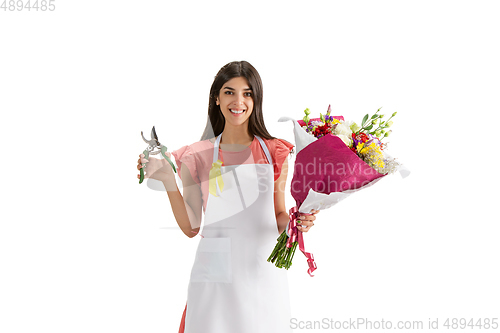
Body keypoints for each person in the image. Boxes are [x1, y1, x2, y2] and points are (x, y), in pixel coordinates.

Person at [136, 61, 319, 333]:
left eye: (247, 93)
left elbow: (278, 215)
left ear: (256, 99)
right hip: (215, 275)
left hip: (262, 270)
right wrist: (166, 179)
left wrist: (298, 220)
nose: (239, 101)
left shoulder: (275, 151)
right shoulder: (196, 155)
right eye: (229, 92)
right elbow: (191, 226)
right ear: (217, 98)